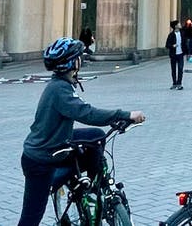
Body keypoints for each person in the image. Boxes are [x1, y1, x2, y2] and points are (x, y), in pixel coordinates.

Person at [17, 37, 145, 226]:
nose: (81, 60)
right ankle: (86, 188)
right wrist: (125, 115)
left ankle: (93, 187)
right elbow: (87, 113)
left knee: (95, 136)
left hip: (56, 144)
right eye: (79, 57)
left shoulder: (61, 85)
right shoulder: (59, 90)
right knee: (31, 217)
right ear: (72, 62)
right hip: (41, 159)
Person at [165, 20, 185, 90]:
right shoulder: (171, 35)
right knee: (173, 69)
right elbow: (167, 45)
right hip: (173, 54)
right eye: (178, 24)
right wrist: (172, 46)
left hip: (180, 54)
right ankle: (174, 83)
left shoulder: (182, 33)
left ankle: (179, 83)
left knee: (180, 68)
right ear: (175, 26)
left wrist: (188, 52)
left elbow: (185, 43)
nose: (180, 25)